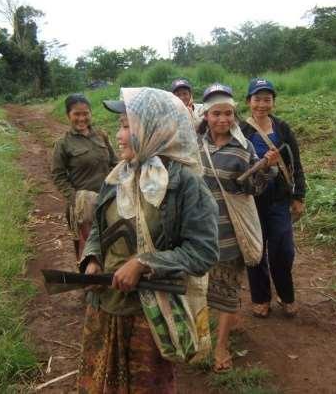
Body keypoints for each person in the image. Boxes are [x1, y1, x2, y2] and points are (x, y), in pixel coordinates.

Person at [77, 87, 219, 393]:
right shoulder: (119, 176)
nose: (119, 135)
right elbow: (100, 230)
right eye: (120, 126)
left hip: (150, 311)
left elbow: (203, 252)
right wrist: (92, 259)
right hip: (106, 304)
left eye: (127, 126)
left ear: (156, 130)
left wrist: (144, 263)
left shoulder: (184, 184)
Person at [197, 83, 276, 372]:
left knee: (228, 290)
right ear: (206, 115)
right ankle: (204, 335)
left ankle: (220, 345)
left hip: (230, 234)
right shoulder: (194, 144)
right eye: (216, 113)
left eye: (228, 114)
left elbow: (254, 188)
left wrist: (266, 169)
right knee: (200, 289)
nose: (223, 120)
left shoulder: (243, 149)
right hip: (197, 235)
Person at [239, 78, 306, 318]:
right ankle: (260, 298)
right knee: (255, 251)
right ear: (248, 102)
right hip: (251, 202)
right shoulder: (240, 130)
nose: (261, 104)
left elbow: (296, 164)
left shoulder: (282, 129)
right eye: (257, 99)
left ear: (273, 102)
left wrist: (299, 196)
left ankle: (286, 295)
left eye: (267, 99)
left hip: (279, 200)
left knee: (284, 250)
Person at [51, 94, 118, 259]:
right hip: (83, 207)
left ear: (90, 113)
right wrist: (75, 199)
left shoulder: (101, 135)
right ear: (68, 115)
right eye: (76, 114)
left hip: (107, 199)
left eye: (85, 113)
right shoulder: (63, 143)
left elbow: (115, 162)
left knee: (112, 244)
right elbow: (58, 175)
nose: (82, 118)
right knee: (87, 251)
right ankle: (90, 281)